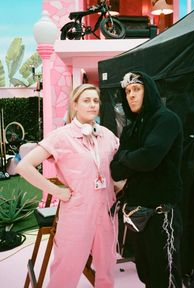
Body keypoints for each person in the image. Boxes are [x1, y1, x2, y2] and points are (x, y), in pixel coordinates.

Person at [16, 83, 119, 288]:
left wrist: (118, 185)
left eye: (95, 101)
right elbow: (24, 166)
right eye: (86, 100)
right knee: (65, 274)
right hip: (76, 215)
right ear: (75, 104)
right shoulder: (61, 136)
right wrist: (57, 191)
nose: (92, 105)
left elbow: (119, 166)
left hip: (106, 213)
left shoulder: (107, 135)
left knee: (106, 272)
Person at [110, 71, 183, 288]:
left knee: (166, 277)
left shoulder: (166, 119)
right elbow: (115, 171)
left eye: (137, 89)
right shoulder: (132, 128)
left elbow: (149, 158)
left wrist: (125, 157)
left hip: (161, 217)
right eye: (128, 91)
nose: (131, 95)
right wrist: (134, 158)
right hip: (136, 215)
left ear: (148, 91)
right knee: (146, 274)